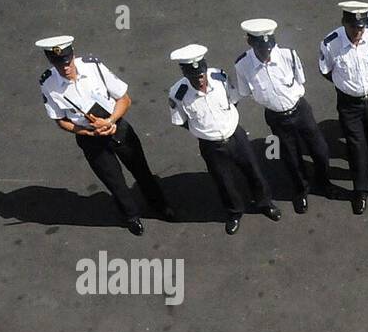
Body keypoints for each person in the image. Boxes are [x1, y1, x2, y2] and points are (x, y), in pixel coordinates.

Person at [36, 35, 173, 236]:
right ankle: (131, 216)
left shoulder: (94, 67)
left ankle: (160, 206)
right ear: (51, 61)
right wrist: (86, 131)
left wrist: (108, 122)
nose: (65, 67)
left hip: (117, 127)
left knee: (141, 170)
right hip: (90, 139)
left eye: (66, 61)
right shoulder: (48, 84)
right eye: (58, 62)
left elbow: (124, 99)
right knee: (114, 182)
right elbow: (60, 120)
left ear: (72, 55)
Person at [168, 44, 281, 235]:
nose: (200, 79)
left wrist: (226, 123)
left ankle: (264, 202)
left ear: (205, 68)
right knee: (224, 181)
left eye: (201, 73)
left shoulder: (219, 77)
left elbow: (234, 98)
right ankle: (235, 212)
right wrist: (204, 131)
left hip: (235, 135)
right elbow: (180, 120)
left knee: (253, 171)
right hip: (211, 145)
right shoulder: (177, 94)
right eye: (195, 76)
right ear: (185, 74)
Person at [234, 18, 335, 214]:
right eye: (261, 49)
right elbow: (245, 91)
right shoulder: (242, 65)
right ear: (250, 43)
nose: (266, 53)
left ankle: (324, 182)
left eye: (269, 48)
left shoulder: (288, 55)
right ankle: (301, 190)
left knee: (320, 150)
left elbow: (300, 80)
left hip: (300, 110)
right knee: (290, 156)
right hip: (276, 117)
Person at [319, 1, 368, 215]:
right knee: (356, 145)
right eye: (353, 27)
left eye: (361, 27)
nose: (358, 32)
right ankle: (360, 189)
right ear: (344, 23)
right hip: (350, 104)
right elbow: (325, 70)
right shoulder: (330, 43)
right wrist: (346, 85)